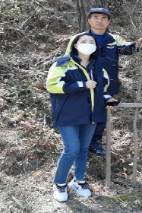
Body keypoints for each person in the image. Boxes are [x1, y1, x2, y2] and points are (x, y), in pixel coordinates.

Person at [46, 34, 118, 202]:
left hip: (91, 113)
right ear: (75, 45)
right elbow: (52, 85)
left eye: (91, 42)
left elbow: (102, 88)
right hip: (68, 113)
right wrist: (81, 85)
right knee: (72, 148)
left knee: (84, 148)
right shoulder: (62, 63)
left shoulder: (99, 65)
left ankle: (78, 181)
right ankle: (59, 183)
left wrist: (108, 99)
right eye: (83, 42)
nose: (88, 44)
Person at [65, 8, 142, 156]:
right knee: (82, 110)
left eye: (103, 18)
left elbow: (126, 48)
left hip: (107, 82)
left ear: (108, 22)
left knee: (101, 112)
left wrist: (138, 45)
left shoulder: (113, 38)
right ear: (89, 20)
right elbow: (68, 58)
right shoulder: (79, 38)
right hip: (85, 81)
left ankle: (95, 142)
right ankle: (78, 141)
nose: (99, 20)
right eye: (95, 17)